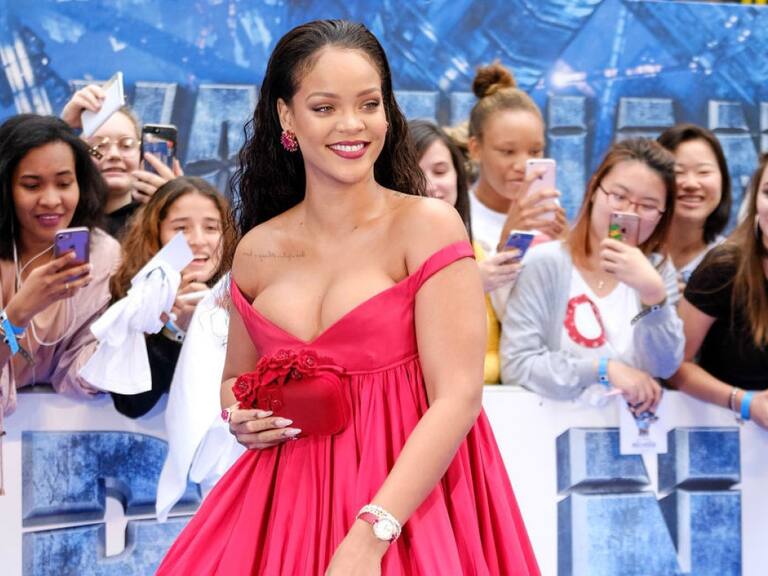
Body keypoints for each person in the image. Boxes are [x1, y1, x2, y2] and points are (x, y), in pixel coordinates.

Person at [157, 19, 539, 575]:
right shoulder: (258, 249)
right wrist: (240, 416)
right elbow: (235, 380)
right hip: (284, 510)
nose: (352, 125)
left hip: (411, 512)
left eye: (368, 104)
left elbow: (458, 397)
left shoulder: (428, 227)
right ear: (287, 117)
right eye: (324, 107)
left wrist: (373, 533)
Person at [500, 139, 684, 414]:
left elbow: (663, 367)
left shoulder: (657, 271)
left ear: (662, 214)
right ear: (595, 189)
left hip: (632, 432)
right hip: (553, 428)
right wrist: (603, 370)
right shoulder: (545, 263)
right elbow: (518, 366)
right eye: (618, 196)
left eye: (647, 206)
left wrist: (653, 297)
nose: (628, 213)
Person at [0, 114, 120, 417]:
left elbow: (78, 375)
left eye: (64, 183)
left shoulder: (102, 254)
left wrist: (132, 333)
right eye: (32, 185)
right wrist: (18, 313)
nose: (52, 200)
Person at [108, 176, 236, 418]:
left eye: (211, 228)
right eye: (180, 228)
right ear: (156, 234)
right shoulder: (132, 296)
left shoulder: (246, 293)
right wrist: (174, 331)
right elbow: (131, 405)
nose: (198, 241)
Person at [409, 118, 518, 383]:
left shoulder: (474, 251)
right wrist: (467, 286)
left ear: (458, 177)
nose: (430, 185)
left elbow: (498, 352)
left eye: (440, 171)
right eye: (415, 173)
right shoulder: (382, 256)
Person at [668, 155, 768, 428]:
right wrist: (745, 402)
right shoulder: (724, 268)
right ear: (755, 201)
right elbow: (673, 366)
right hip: (728, 432)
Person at [467, 61, 567, 318]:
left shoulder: (547, 209)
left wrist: (569, 246)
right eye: (507, 151)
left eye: (535, 151)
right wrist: (510, 241)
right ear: (476, 149)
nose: (522, 165)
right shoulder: (458, 217)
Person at [61, 86, 182, 238]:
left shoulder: (161, 221)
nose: (114, 155)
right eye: (99, 145)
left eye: (126, 145)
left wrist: (177, 209)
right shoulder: (59, 221)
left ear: (142, 154)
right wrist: (63, 129)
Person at [657, 123, 731, 290]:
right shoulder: (627, 248)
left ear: (723, 181)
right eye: (677, 172)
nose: (691, 184)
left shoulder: (734, 262)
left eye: (704, 172)